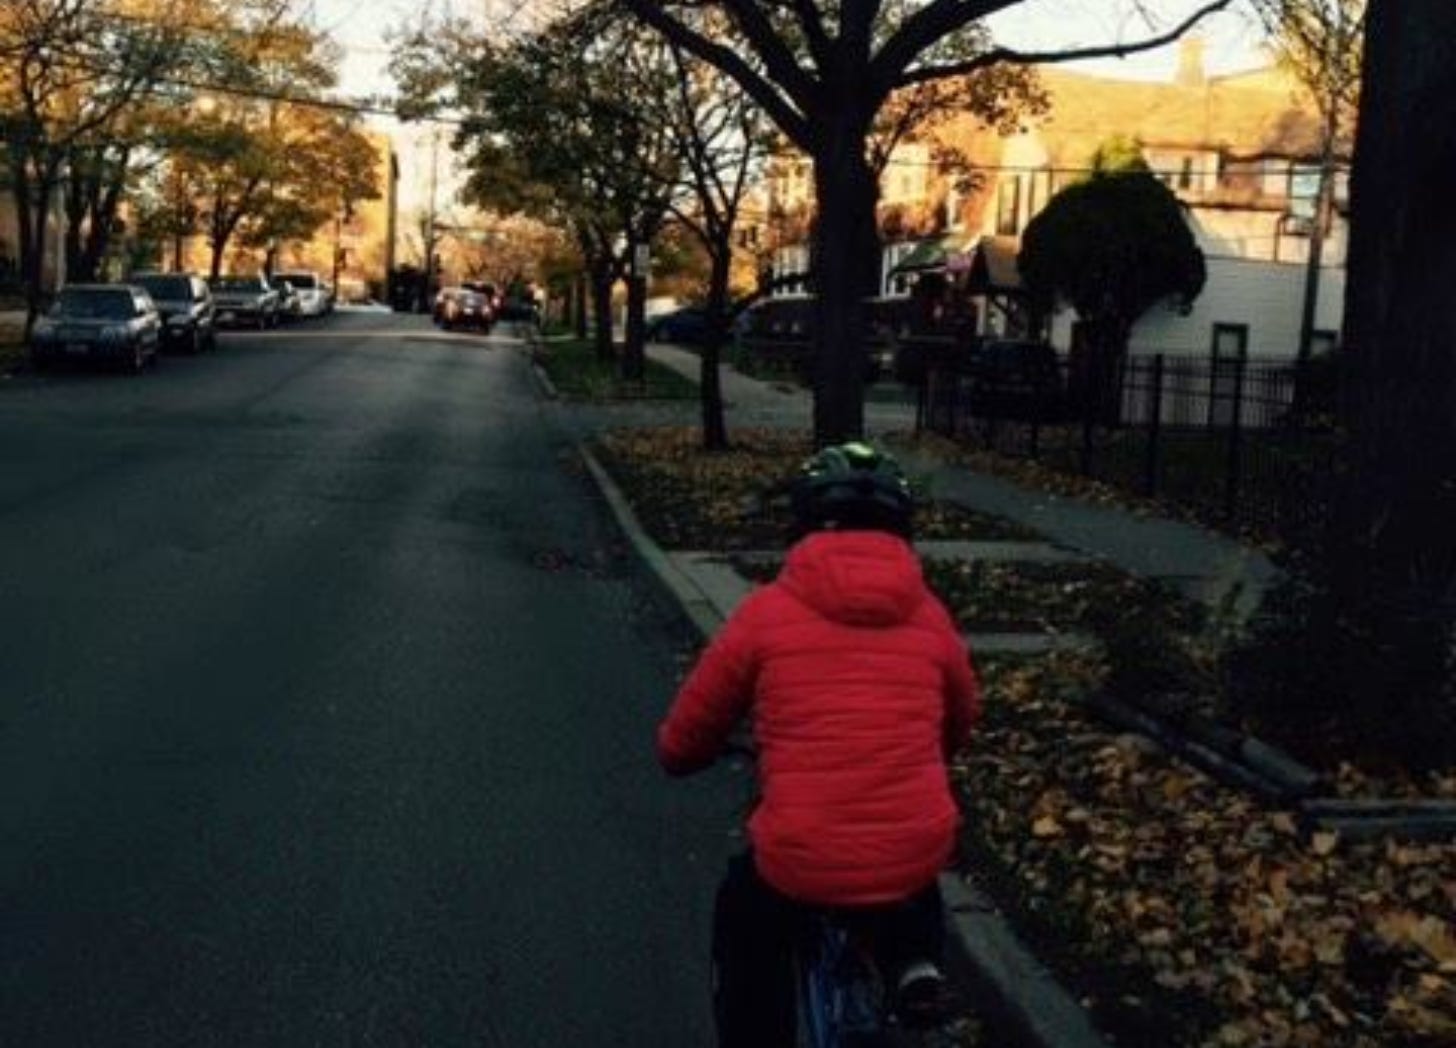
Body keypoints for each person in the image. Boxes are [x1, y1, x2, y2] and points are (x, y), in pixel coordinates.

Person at [656, 442, 982, 1047]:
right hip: (911, 842)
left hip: (800, 852)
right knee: (911, 867)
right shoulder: (931, 616)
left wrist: (683, 754)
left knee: (747, 913)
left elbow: (689, 729)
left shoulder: (766, 614)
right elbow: (962, 716)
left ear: (802, 525)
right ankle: (914, 964)